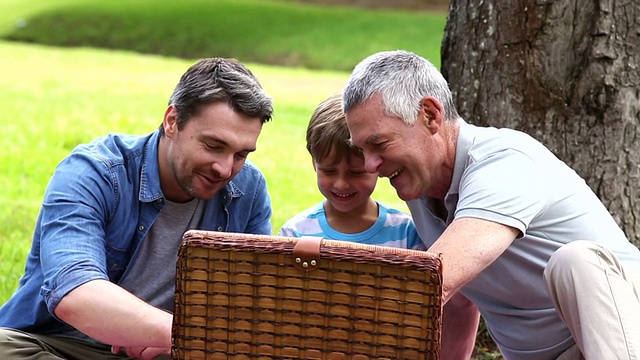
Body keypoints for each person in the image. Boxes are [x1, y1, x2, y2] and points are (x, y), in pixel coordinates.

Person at [342, 49, 640, 360]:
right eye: (362, 150)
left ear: (430, 115)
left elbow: (431, 284)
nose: (370, 165)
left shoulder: (505, 162)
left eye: (379, 144)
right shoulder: (422, 190)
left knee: (576, 260)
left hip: (622, 340)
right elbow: (455, 301)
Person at [0, 57, 274, 360]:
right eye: (213, 146)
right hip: (61, 346)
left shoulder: (248, 190)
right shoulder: (95, 172)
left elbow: (251, 306)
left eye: (241, 154)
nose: (225, 169)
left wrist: (189, 340)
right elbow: (75, 293)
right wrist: (183, 333)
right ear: (172, 121)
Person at [278, 92, 431, 251]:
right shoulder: (295, 235)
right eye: (329, 171)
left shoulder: (406, 233)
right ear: (314, 164)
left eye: (356, 173)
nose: (341, 184)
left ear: (377, 165)